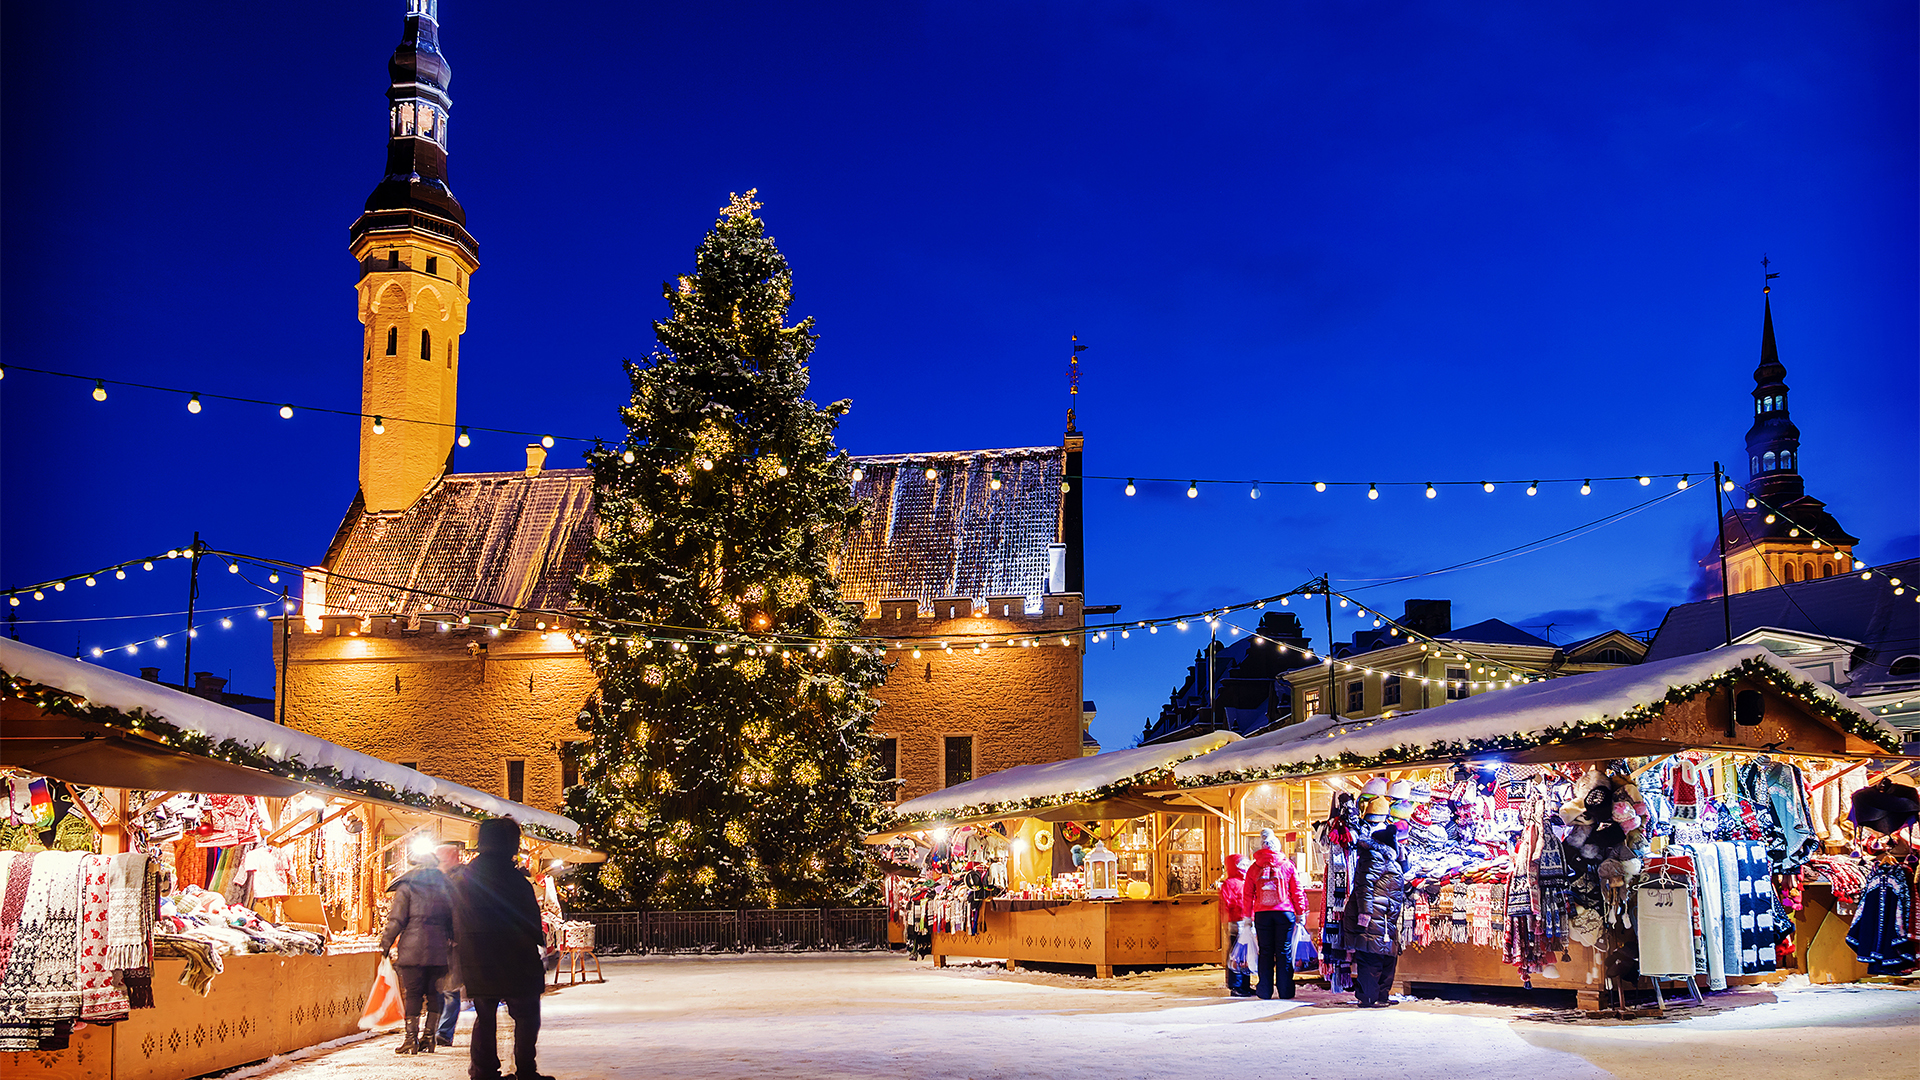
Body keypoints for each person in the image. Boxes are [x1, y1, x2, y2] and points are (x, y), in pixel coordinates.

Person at [453, 817, 549, 1080]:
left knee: (485, 1016)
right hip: (515, 957)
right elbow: (530, 918)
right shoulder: (515, 879)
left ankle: (484, 1071)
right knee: (526, 1014)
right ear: (509, 844)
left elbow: (455, 917)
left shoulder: (465, 877)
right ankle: (526, 1070)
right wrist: (537, 942)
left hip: (476, 957)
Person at [380, 848, 455, 1055]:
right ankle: (429, 1039)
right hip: (439, 950)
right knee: (435, 993)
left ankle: (410, 1040)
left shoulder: (407, 887)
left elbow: (396, 920)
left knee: (413, 994)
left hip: (412, 949)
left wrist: (386, 943)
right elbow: (453, 921)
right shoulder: (446, 887)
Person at [1343, 822, 1406, 1008]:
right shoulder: (1374, 857)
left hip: (1386, 918)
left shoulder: (1387, 860)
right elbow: (1364, 887)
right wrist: (1365, 913)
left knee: (1387, 958)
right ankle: (1367, 997)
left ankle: (1381, 995)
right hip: (1374, 918)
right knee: (1372, 958)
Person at [1243, 828, 1307, 1000]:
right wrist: (1301, 913)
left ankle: (1264, 991)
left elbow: (1248, 894)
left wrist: (1247, 917)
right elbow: (1297, 891)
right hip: (1285, 914)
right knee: (1284, 952)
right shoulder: (1287, 865)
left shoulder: (1254, 868)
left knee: (1265, 952)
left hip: (1262, 914)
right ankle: (1285, 991)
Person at [433, 841, 468, 1047]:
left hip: (453, 942)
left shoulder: (461, 879)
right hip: (437, 940)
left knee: (450, 989)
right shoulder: (436, 879)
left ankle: (443, 1032)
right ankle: (435, 1030)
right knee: (439, 989)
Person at [1218, 853, 1253, 996]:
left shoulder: (1244, 881)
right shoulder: (1230, 883)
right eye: (1241, 864)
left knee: (1244, 955)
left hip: (1245, 922)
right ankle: (1236, 986)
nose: (1244, 867)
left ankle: (1244, 984)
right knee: (1236, 955)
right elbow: (1225, 904)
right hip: (1236, 923)